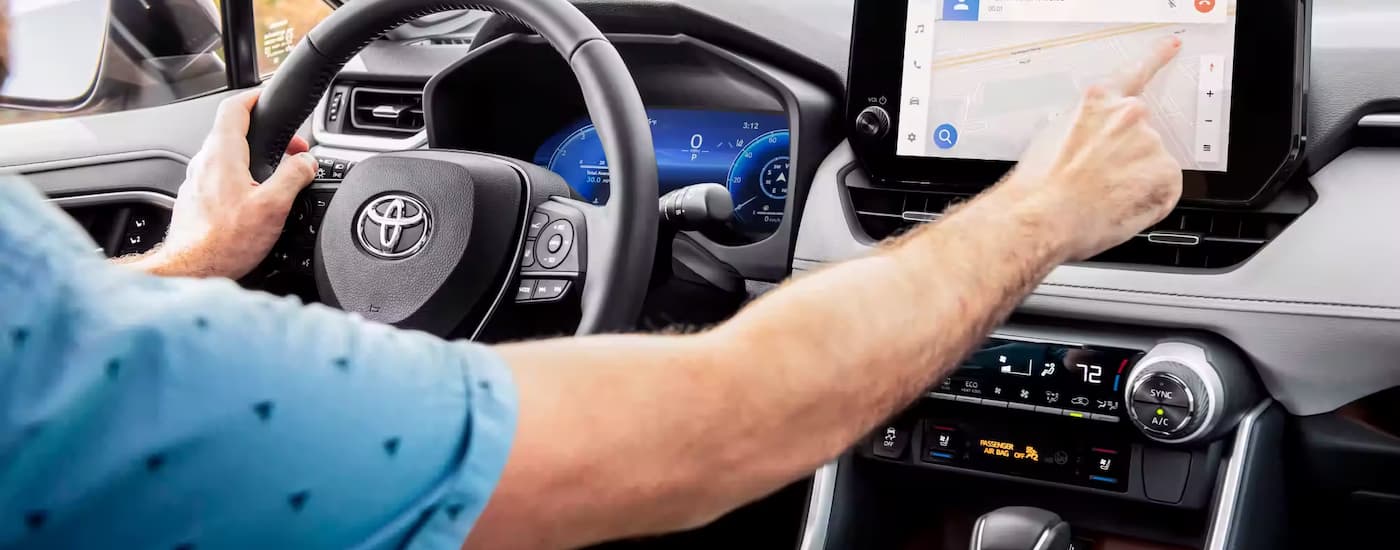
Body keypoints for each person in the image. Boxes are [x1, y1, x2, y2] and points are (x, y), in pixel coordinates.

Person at [0, 1, 1184, 545]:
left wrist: (199, 262)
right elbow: (716, 427)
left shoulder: (61, 341)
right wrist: (1037, 209)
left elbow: (86, 348)